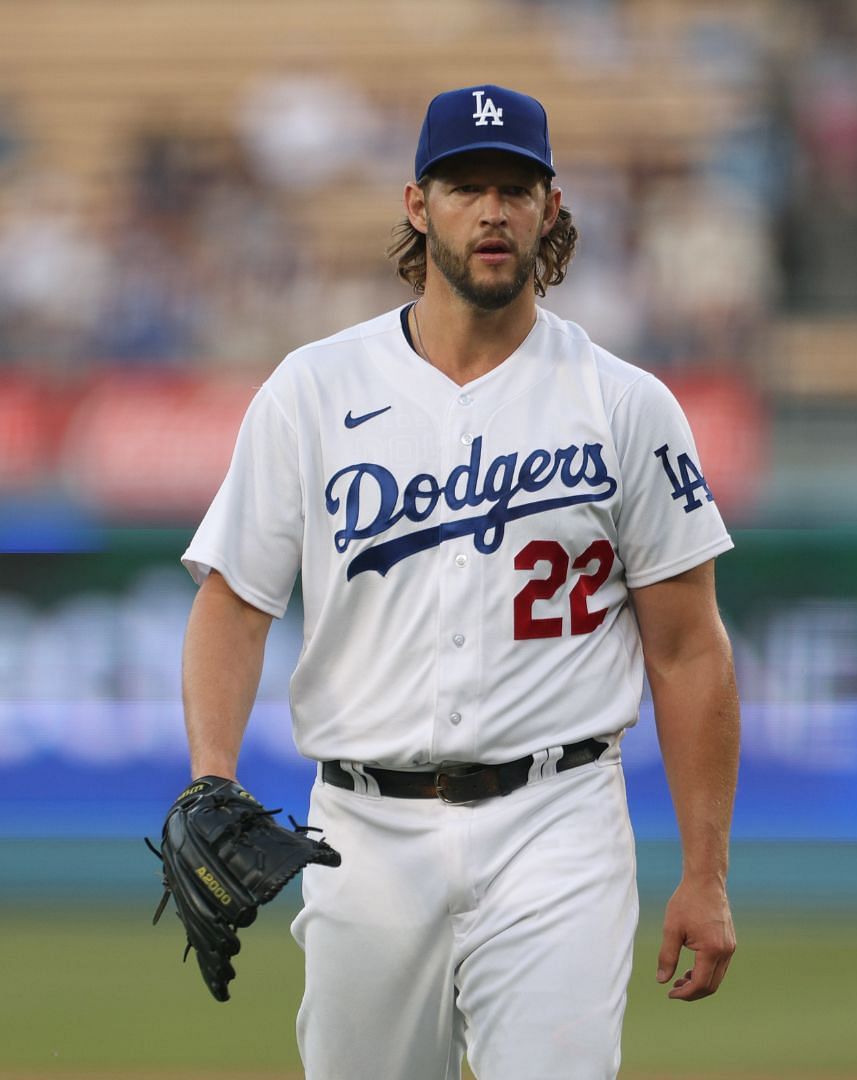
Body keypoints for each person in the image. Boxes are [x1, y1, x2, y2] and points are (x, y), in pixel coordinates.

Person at [177, 84, 741, 1078]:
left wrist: (707, 873)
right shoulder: (314, 389)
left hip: (557, 820)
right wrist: (211, 775)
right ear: (416, 204)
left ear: (551, 208)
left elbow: (689, 645)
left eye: (515, 188)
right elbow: (234, 601)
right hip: (362, 828)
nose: (493, 211)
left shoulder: (626, 404)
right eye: (466, 186)